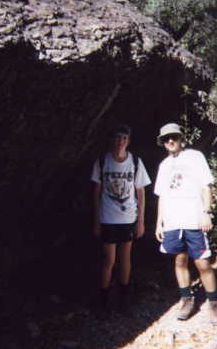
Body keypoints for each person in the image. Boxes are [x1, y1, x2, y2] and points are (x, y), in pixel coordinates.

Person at [154, 122, 217, 326]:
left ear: (181, 138)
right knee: (179, 261)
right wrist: (159, 223)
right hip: (173, 221)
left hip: (194, 218)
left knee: (202, 262)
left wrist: (206, 212)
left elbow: (206, 186)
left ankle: (214, 302)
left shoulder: (195, 157)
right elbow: (162, 196)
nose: (170, 141)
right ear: (162, 143)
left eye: (173, 137)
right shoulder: (164, 166)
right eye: (166, 139)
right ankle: (186, 299)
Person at [91, 124, 151, 310]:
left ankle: (124, 298)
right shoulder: (102, 161)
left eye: (124, 138)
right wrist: (96, 221)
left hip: (128, 218)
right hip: (108, 218)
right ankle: (104, 299)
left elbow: (140, 192)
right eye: (117, 137)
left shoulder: (135, 161)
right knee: (108, 260)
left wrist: (141, 221)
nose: (120, 142)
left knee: (125, 259)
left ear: (128, 141)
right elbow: (96, 192)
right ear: (112, 139)